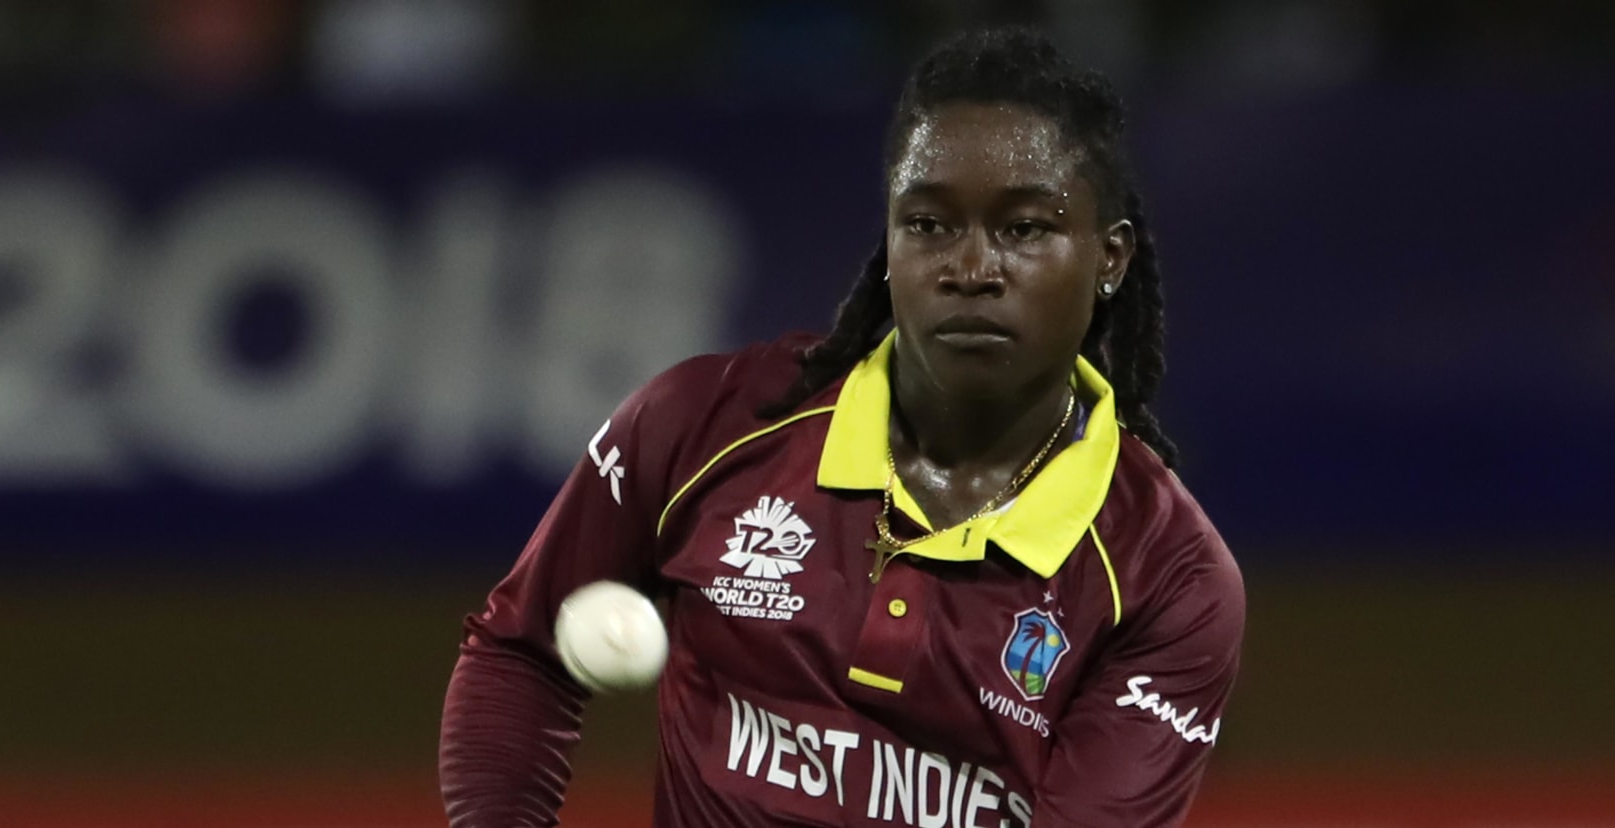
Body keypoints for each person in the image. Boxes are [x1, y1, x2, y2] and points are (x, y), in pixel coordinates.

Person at [439, 26, 1244, 828]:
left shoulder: (1166, 576)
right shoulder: (704, 424)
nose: (971, 269)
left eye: (1024, 229)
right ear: (889, 243)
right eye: (928, 225)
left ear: (1109, 258)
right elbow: (521, 654)